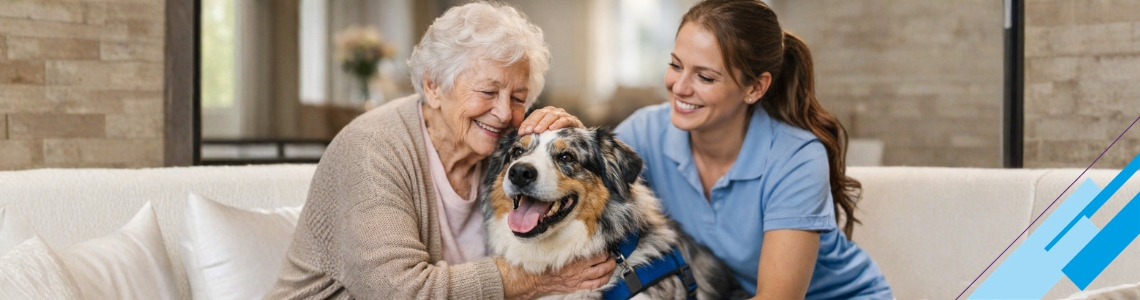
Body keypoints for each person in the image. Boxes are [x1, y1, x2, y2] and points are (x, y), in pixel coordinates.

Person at [266, 3, 614, 299]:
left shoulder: (504, 154)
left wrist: (570, 141)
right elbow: (400, 291)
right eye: (488, 92)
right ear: (433, 87)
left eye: (519, 98)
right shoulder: (372, 148)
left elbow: (596, 211)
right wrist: (537, 279)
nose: (505, 112)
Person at [612, 0, 894, 298]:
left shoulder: (796, 156)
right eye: (675, 65)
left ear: (755, 88)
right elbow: (585, 186)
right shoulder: (644, 132)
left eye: (704, 77)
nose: (679, 87)